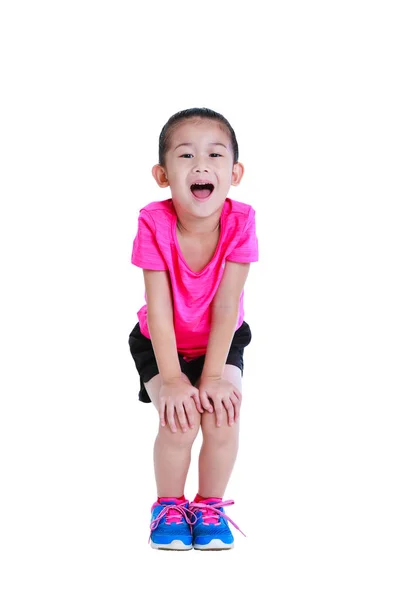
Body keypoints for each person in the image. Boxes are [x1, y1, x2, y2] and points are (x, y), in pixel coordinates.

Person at [128, 107, 258, 550]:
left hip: (221, 340)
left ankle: (209, 506)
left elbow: (226, 305)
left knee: (222, 417)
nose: (201, 165)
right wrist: (171, 379)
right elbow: (158, 310)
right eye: (185, 156)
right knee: (180, 420)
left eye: (215, 155)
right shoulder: (154, 222)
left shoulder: (241, 222)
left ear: (234, 172)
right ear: (163, 175)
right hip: (159, 341)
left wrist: (215, 375)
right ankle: (167, 506)